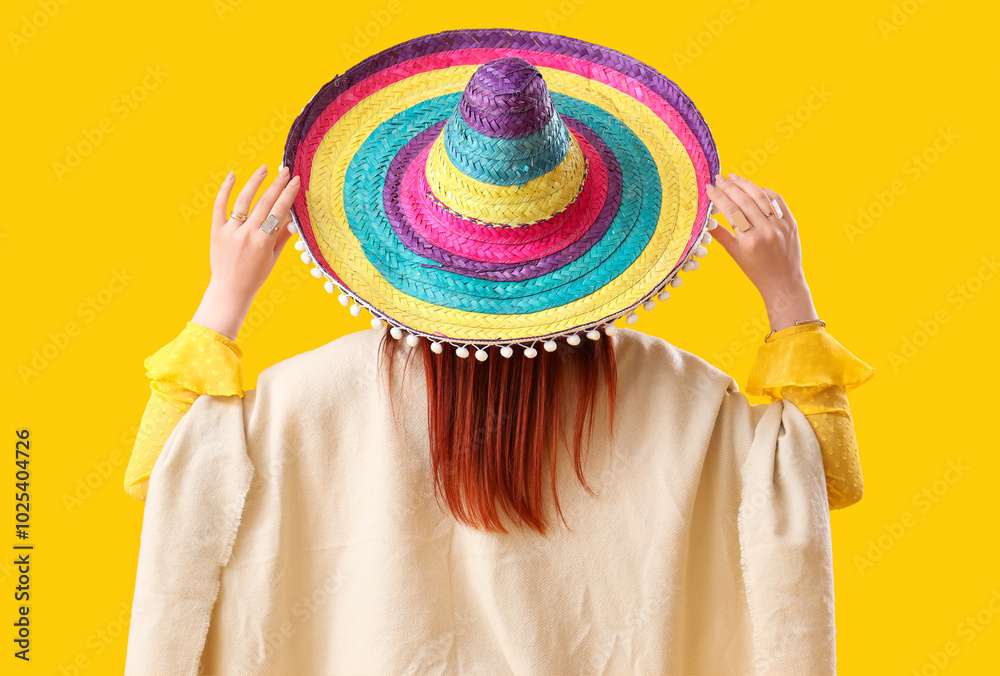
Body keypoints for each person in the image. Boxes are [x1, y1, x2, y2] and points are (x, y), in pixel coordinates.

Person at [123, 35, 876, 675]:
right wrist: (787, 293)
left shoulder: (309, 399)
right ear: (602, 243)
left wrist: (224, 299)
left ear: (404, 233)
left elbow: (167, 481)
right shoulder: (683, 399)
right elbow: (818, 482)